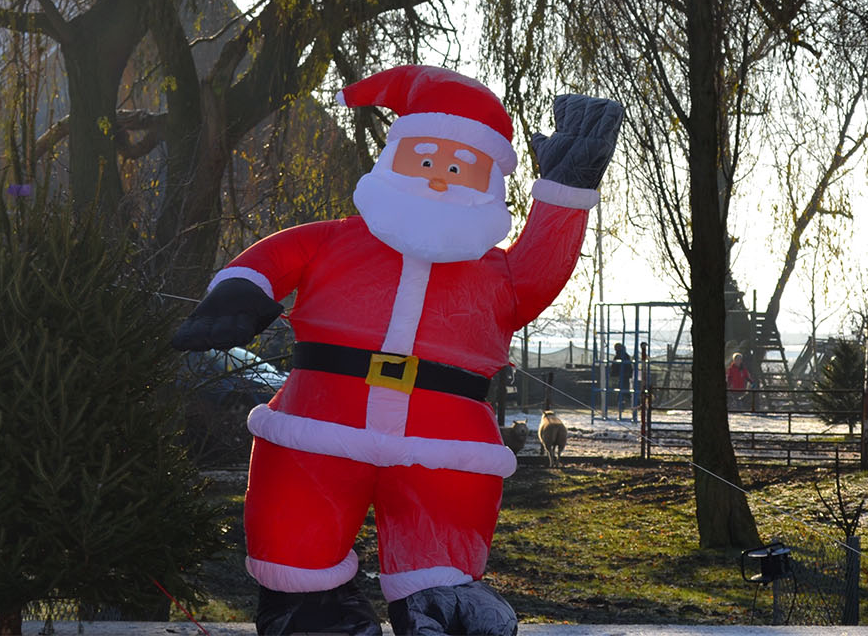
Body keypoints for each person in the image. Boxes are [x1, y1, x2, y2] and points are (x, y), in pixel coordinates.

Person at [171, 64, 622, 636]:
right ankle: (309, 606)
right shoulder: (333, 239)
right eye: (426, 160)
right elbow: (270, 260)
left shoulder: (496, 275)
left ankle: (439, 596)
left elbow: (541, 270)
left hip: (444, 440)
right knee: (298, 530)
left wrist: (565, 192)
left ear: (487, 182)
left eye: (459, 168)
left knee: (441, 528)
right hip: (319, 420)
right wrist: (237, 295)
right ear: (393, 159)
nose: (439, 179)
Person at [609, 341, 634, 417]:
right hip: (623, 375)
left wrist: (613, 373)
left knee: (623, 389)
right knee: (623, 389)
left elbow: (616, 366)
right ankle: (624, 403)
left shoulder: (621, 355)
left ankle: (624, 403)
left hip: (623, 375)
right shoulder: (624, 355)